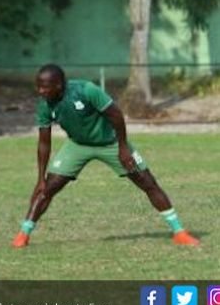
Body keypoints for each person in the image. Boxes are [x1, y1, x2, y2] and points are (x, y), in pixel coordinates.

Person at [12, 64, 200, 248]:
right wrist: (40, 178)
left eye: (45, 86)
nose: (40, 90)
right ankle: (23, 234)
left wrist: (123, 147)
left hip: (110, 143)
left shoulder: (87, 90)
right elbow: (44, 142)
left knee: (147, 182)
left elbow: (116, 115)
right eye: (38, 85)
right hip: (78, 145)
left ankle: (179, 232)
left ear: (59, 85)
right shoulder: (45, 105)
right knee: (48, 188)